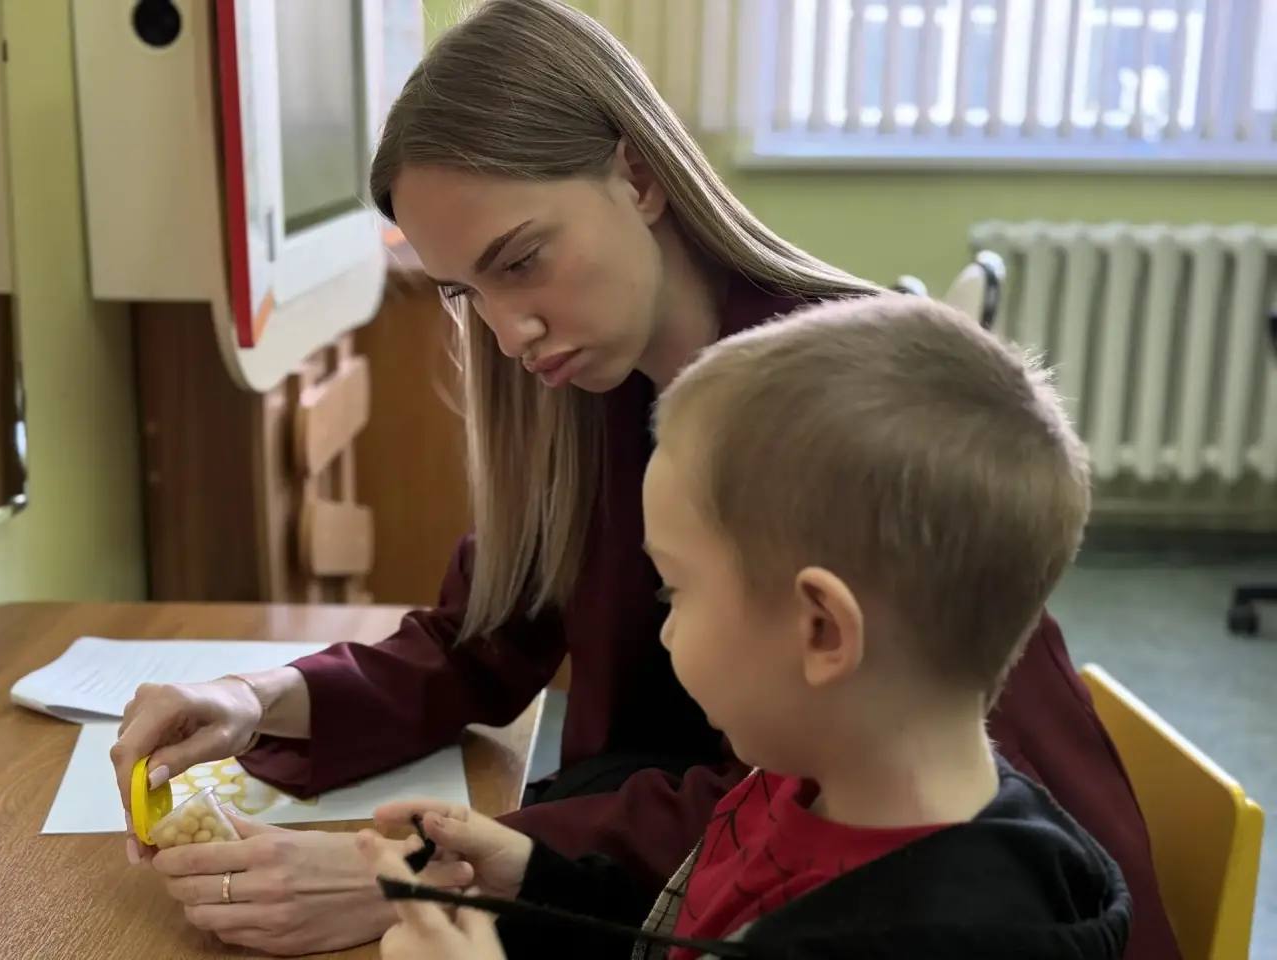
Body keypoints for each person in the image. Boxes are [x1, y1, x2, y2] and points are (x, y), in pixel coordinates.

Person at [109, 1, 1177, 957]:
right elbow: (486, 633)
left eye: (519, 261)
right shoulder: (590, 379)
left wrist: (427, 879)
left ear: (638, 174)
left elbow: (837, 797)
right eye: (463, 291)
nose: (507, 331)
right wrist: (254, 698)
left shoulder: (822, 411)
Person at [355, 296, 1132, 960]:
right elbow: (700, 924)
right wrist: (537, 880)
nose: (664, 631)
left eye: (675, 589)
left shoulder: (933, 934)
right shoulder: (814, 780)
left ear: (822, 631)